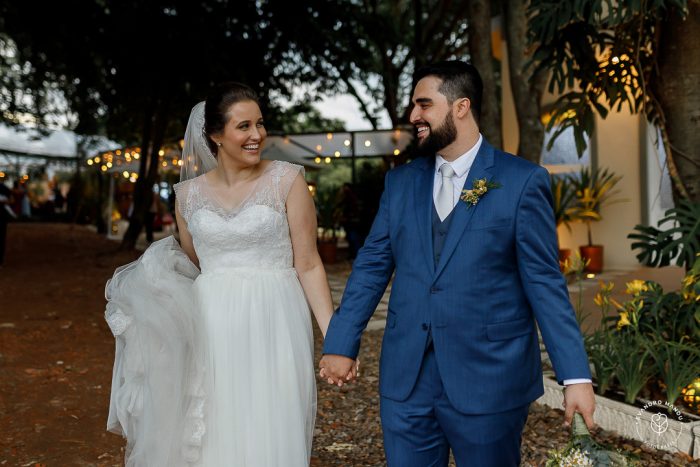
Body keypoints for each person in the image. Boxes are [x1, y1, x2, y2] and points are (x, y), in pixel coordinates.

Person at [319, 61, 595, 466]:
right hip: (407, 379)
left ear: (461, 106)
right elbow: (372, 267)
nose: (413, 116)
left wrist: (575, 376)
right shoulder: (401, 183)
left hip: (489, 378)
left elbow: (544, 283)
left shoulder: (521, 181)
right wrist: (341, 342)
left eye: (424, 104)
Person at [105, 82, 342, 466]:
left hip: (274, 318)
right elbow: (195, 263)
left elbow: (309, 263)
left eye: (260, 124)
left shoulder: (287, 179)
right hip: (210, 322)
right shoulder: (187, 196)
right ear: (215, 135)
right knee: (213, 422)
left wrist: (336, 336)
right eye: (244, 126)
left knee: (271, 419)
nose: (257, 135)